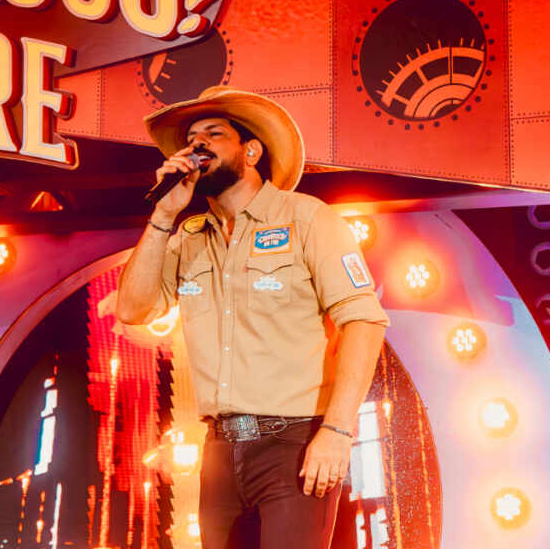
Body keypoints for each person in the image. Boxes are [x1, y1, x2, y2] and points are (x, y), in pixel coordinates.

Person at [115, 86, 390, 549]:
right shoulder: (188, 238)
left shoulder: (307, 219)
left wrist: (338, 430)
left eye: (213, 134)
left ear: (251, 151)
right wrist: (163, 215)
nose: (198, 145)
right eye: (192, 139)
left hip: (294, 442)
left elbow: (363, 321)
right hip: (220, 449)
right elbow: (132, 308)